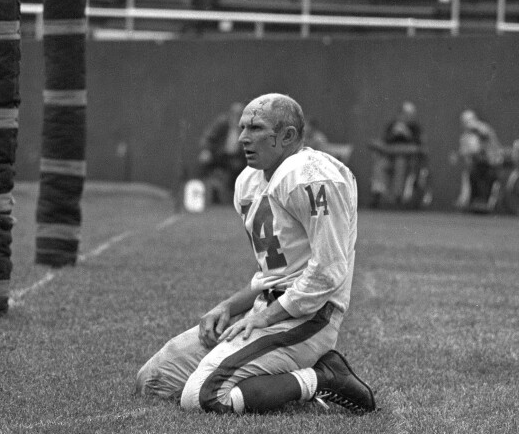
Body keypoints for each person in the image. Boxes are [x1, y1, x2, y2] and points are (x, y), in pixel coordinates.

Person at [135, 93, 376, 416]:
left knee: (203, 396)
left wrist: (265, 316)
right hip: (268, 307)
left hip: (308, 316)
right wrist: (229, 307)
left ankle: (322, 377)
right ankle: (266, 370)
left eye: (256, 128)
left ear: (287, 136)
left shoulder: (313, 175)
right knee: (154, 380)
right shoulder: (248, 181)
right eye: (242, 127)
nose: (243, 138)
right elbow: (273, 273)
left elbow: (327, 273)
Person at [369, 102, 422, 207]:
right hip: (389, 156)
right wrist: (393, 134)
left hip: (407, 160)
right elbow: (384, 142)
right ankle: (378, 193)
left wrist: (407, 134)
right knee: (381, 164)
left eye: (409, 114)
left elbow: (418, 145)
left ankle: (397, 197)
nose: (406, 116)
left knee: (400, 163)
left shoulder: (415, 128)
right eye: (404, 113)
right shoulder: (393, 125)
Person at [197, 102, 246, 204]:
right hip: (220, 155)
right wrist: (206, 150)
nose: (236, 118)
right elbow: (207, 137)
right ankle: (204, 194)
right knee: (204, 162)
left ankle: (236, 197)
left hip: (239, 157)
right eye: (234, 114)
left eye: (239, 115)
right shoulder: (222, 123)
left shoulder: (247, 126)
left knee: (241, 169)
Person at [453, 109, 503, 208]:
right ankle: (471, 201)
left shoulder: (483, 129)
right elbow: (466, 152)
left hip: (491, 164)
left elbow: (487, 139)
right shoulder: (465, 136)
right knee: (470, 175)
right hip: (477, 166)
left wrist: (478, 131)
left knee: (481, 175)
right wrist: (458, 156)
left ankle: (483, 200)